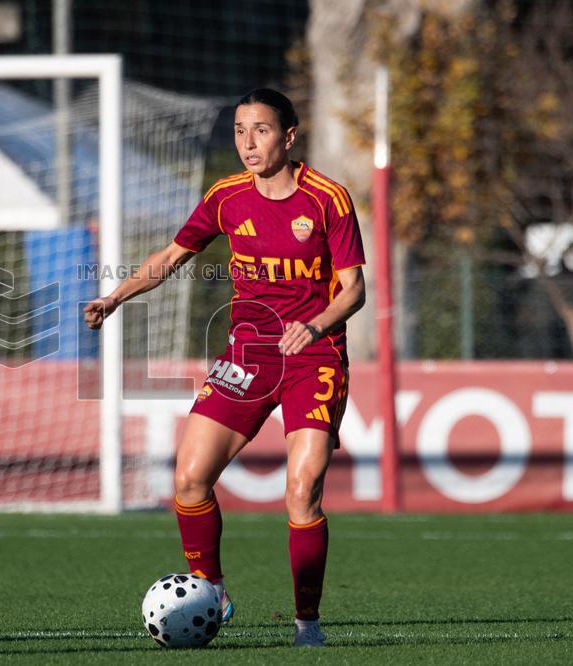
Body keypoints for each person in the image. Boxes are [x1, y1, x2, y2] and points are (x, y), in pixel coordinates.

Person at [83, 88, 365, 648]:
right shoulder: (226, 196)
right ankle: (211, 589)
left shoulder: (328, 199)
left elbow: (354, 290)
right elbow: (169, 258)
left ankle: (307, 623)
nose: (248, 142)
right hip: (247, 355)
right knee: (189, 480)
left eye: (260, 130)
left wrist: (315, 325)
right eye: (239, 130)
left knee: (302, 489)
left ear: (288, 136)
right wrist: (115, 297)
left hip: (313, 356)